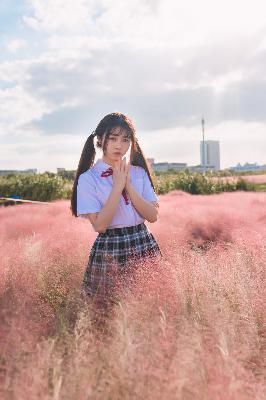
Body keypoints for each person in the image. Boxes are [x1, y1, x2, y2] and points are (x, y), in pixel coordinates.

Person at [70, 112, 162, 327]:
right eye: (113, 138)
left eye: (125, 139)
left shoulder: (138, 173)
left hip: (142, 241)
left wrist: (128, 185)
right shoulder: (89, 179)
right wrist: (118, 186)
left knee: (149, 307)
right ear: (100, 139)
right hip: (110, 247)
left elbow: (153, 216)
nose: (119, 145)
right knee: (106, 311)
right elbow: (100, 225)